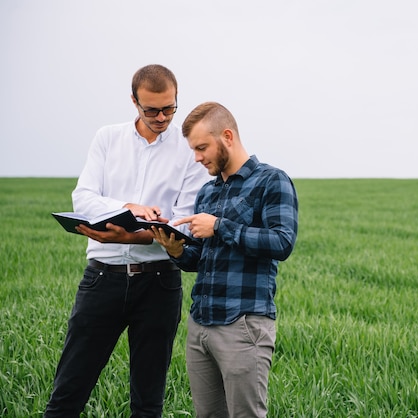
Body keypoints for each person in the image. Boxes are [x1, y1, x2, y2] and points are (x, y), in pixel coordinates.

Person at [44, 64, 210, 417]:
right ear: (134, 102)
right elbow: (84, 197)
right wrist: (127, 208)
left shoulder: (187, 149)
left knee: (148, 402)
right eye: (152, 110)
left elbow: (182, 220)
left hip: (160, 283)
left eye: (170, 108)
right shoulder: (107, 137)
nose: (162, 117)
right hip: (102, 277)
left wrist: (129, 234)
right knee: (67, 393)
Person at [151, 101, 298, 417]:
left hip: (243, 324)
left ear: (227, 136)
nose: (197, 157)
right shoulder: (207, 193)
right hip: (200, 324)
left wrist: (219, 225)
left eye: (202, 147)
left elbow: (282, 242)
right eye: (193, 149)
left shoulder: (271, 181)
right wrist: (176, 251)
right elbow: (199, 259)